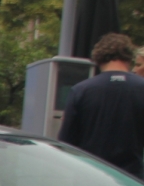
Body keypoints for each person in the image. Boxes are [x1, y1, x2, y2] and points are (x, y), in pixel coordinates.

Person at [58, 33, 144, 176]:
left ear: (98, 59)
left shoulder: (81, 90)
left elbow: (66, 143)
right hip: (132, 180)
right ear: (129, 58)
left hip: (91, 177)